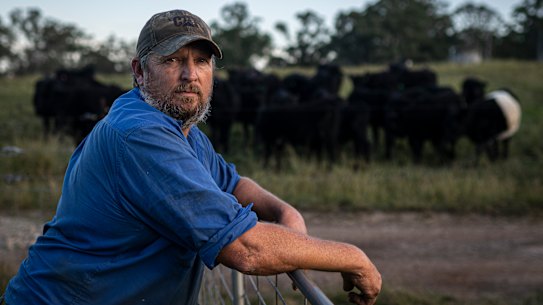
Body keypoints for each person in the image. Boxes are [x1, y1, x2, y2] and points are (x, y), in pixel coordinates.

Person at [3, 9, 381, 305]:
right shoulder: (140, 134)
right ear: (139, 71)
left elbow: (235, 185)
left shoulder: (181, 132)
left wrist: (287, 215)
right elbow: (246, 250)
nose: (190, 75)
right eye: (172, 60)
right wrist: (353, 257)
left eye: (201, 61)